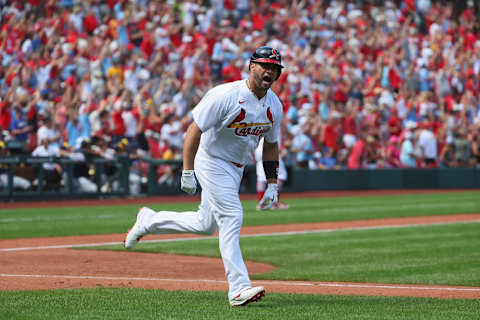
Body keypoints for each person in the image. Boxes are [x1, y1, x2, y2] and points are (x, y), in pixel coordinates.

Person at [124, 46, 284, 306]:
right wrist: (187, 170)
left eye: (275, 68)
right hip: (211, 160)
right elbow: (193, 131)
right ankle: (238, 288)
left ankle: (149, 220)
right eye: (265, 65)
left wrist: (273, 183)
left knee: (205, 224)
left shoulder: (274, 105)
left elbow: (271, 144)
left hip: (236, 167)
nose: (269, 71)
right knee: (232, 215)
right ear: (251, 66)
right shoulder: (225, 95)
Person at [255, 137, 289, 210]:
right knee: (279, 176)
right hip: (269, 149)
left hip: (260, 149)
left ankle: (262, 203)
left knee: (262, 178)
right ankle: (274, 203)